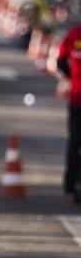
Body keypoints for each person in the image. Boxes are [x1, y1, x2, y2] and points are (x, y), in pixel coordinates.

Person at [57, 23, 81, 203]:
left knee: (75, 141)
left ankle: (70, 183)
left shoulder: (74, 34)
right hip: (76, 98)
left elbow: (60, 61)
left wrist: (72, 76)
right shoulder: (74, 34)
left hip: (77, 97)